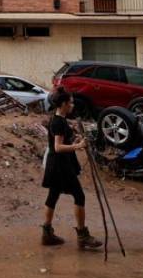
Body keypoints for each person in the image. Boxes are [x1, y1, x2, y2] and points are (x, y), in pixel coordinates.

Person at [41, 87, 103, 250]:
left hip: (57, 164)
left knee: (53, 196)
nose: (72, 105)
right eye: (70, 103)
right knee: (79, 196)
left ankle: (47, 234)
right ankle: (82, 235)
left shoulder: (58, 119)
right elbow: (58, 147)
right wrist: (78, 145)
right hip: (61, 165)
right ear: (63, 104)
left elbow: (62, 141)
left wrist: (74, 137)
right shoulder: (59, 122)